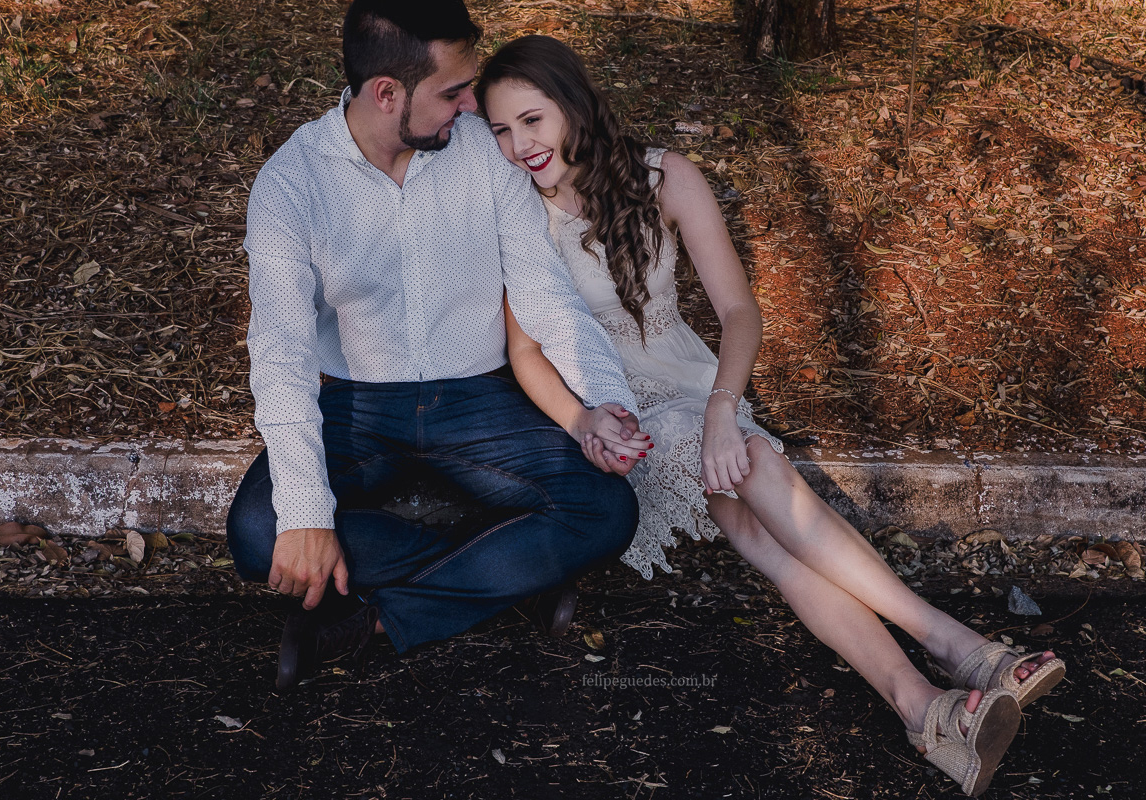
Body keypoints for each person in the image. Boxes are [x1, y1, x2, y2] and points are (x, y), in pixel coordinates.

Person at [476, 35, 1065, 797]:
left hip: (695, 388)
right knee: (759, 481)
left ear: (573, 106)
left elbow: (738, 312)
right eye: (499, 130)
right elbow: (526, 354)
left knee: (759, 528)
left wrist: (724, 408)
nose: (518, 145)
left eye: (531, 120)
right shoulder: (513, 216)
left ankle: (926, 710)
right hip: (618, 418)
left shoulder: (664, 177)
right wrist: (583, 422)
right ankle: (958, 649)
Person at [226, 2, 646, 693]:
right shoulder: (291, 182)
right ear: (387, 92)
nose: (472, 105)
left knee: (606, 510)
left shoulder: (482, 151)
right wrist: (304, 515)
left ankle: (381, 618)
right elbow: (281, 355)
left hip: (481, 400)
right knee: (256, 530)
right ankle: (511, 570)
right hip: (357, 407)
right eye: (453, 91)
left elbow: (544, 296)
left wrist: (605, 402)